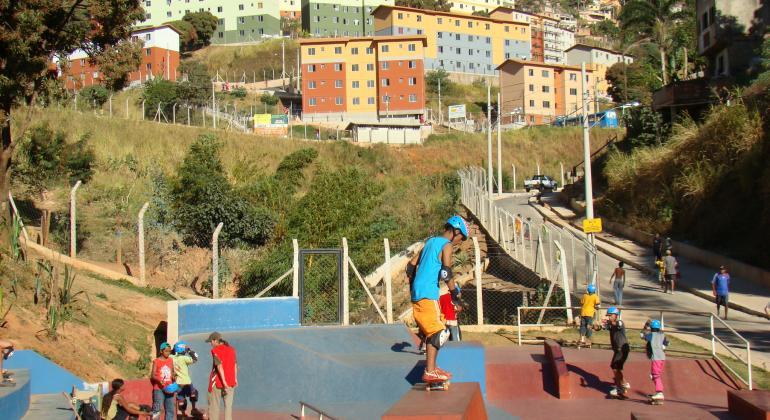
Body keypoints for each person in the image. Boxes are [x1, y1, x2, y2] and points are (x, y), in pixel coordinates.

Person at [406, 215, 467, 384]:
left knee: (437, 327)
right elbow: (446, 273)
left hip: (418, 293)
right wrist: (456, 296)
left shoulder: (430, 242)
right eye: (461, 237)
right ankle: (430, 371)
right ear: (455, 231)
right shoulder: (446, 245)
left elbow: (410, 266)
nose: (459, 242)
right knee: (441, 332)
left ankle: (432, 368)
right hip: (428, 293)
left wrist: (413, 286)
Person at [206, 332, 238, 420]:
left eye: (211, 341)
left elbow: (219, 366)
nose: (210, 344)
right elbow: (235, 364)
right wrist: (235, 379)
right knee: (228, 407)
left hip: (218, 383)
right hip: (231, 382)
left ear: (215, 341)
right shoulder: (232, 349)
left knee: (214, 407)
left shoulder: (215, 351)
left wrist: (224, 383)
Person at [603, 307, 630, 398]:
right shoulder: (611, 324)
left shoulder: (620, 322)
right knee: (617, 368)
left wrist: (609, 322)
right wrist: (595, 326)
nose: (609, 317)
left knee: (615, 368)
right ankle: (623, 384)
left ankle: (621, 386)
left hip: (622, 348)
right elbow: (603, 327)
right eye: (608, 316)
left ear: (616, 315)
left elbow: (616, 324)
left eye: (611, 315)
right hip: (618, 350)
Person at [641, 319, 669, 404]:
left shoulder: (651, 335)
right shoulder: (662, 335)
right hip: (662, 358)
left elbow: (642, 335)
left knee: (655, 375)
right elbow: (667, 344)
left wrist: (645, 327)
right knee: (654, 375)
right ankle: (658, 393)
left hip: (656, 358)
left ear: (651, 328)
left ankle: (660, 392)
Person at [172, 341, 200, 417]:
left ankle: (183, 414)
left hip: (177, 383)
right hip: (186, 382)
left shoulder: (172, 358)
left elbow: (171, 353)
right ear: (183, 350)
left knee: (181, 399)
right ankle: (193, 409)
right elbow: (195, 358)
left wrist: (174, 349)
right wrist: (189, 350)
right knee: (194, 394)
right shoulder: (184, 358)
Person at [150, 343, 176, 420]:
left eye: (169, 351)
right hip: (159, 389)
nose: (168, 353)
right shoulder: (156, 361)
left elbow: (172, 371)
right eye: (166, 351)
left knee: (170, 410)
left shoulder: (171, 360)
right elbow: (153, 375)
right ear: (161, 351)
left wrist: (174, 376)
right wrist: (158, 380)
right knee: (157, 409)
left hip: (169, 388)